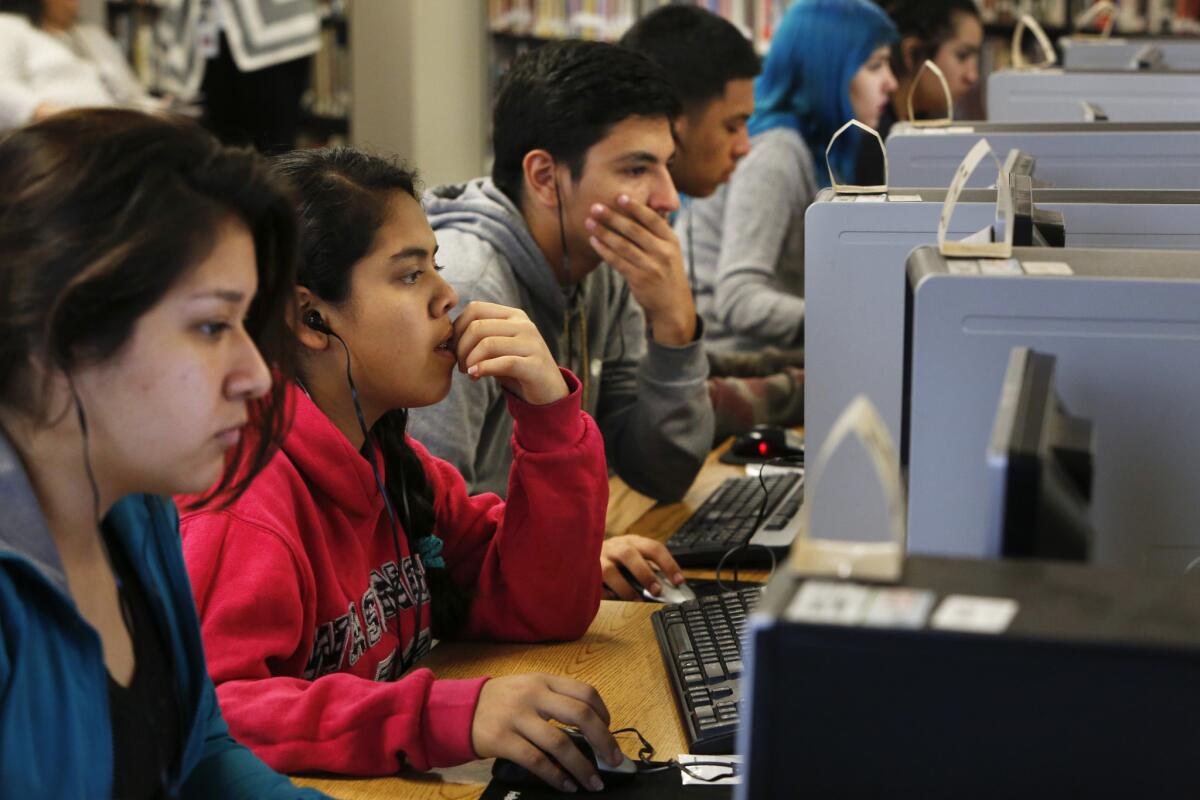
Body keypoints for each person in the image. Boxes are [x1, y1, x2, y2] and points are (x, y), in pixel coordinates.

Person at [179, 147, 623, 793]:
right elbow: (210, 715)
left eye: (436, 269)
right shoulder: (244, 507)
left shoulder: (393, 463)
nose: (450, 298)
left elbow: (543, 610)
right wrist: (433, 714)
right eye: (411, 275)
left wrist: (548, 418)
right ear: (309, 317)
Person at [0, 108, 325, 797]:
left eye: (244, 324)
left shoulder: (135, 506)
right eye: (211, 326)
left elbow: (200, 756)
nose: (258, 374)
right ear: (64, 324)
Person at [407, 40, 714, 600]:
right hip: (472, 617)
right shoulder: (466, 286)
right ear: (545, 177)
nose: (669, 197)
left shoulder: (602, 269)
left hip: (528, 582)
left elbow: (659, 472)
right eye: (637, 168)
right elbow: (428, 524)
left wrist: (674, 328)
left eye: (666, 166)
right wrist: (569, 551)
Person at [621, 4, 805, 441]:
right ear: (672, 123)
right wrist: (809, 384)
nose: (745, 147)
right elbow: (664, 414)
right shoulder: (616, 237)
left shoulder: (655, 219)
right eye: (733, 126)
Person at [682, 0, 898, 353]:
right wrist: (848, 322)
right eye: (874, 66)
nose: (891, 82)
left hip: (766, 349)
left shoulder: (824, 147)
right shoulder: (776, 155)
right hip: (731, 358)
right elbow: (738, 298)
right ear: (825, 71)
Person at [857, 0, 983, 184]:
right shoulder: (874, 142)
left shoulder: (923, 123)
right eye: (962, 56)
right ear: (912, 53)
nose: (973, 76)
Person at [0, 0, 161, 129]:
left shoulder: (93, 35)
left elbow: (133, 96)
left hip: (115, 127)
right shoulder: (10, 27)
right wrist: (73, 118)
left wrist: (162, 110)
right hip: (61, 135)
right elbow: (5, 91)